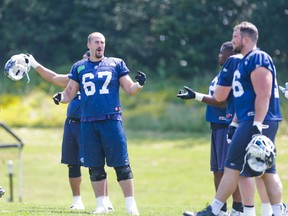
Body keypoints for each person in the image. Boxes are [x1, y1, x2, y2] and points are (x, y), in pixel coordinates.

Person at [182, 21, 286, 216]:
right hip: (248, 119)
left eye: (235, 37)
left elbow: (263, 95)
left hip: (257, 120)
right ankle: (277, 212)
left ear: (245, 39)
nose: (232, 41)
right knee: (264, 170)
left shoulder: (258, 57)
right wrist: (235, 123)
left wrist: (256, 125)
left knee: (234, 165)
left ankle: (215, 210)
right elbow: (244, 98)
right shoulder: (243, 61)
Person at [52, 32, 146, 215]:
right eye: (96, 42)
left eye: (102, 42)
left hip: (111, 120)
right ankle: (101, 205)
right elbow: (69, 93)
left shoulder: (116, 63)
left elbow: (130, 89)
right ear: (89, 45)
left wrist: (139, 84)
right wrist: (60, 97)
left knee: (121, 164)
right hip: (87, 122)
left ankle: (130, 205)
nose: (100, 45)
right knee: (95, 166)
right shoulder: (79, 67)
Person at [27, 51, 114, 211]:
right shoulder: (75, 76)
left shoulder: (100, 79)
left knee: (96, 164)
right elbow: (53, 78)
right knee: (72, 164)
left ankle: (105, 201)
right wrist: (34, 64)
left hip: (90, 124)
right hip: (72, 124)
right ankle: (77, 201)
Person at [177, 41, 243, 216]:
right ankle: (220, 210)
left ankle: (238, 209)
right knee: (217, 171)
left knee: (230, 170)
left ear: (229, 55)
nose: (219, 56)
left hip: (226, 125)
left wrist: (196, 96)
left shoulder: (233, 73)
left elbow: (222, 102)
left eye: (222, 53)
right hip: (215, 127)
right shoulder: (221, 74)